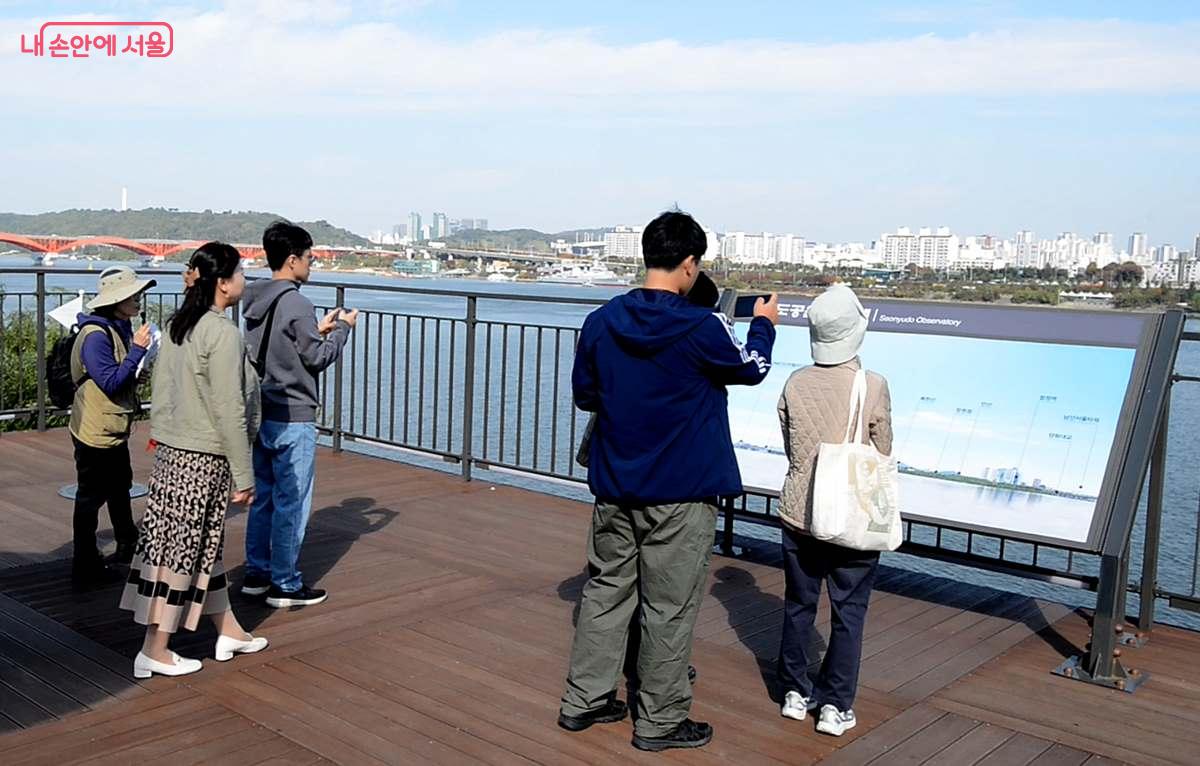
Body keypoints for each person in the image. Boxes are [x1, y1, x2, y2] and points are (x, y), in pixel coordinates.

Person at [558, 210, 778, 752]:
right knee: (668, 606)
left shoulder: (602, 320)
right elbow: (751, 369)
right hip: (681, 491)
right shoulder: (701, 327)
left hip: (615, 484)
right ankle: (659, 721)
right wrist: (765, 323)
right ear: (689, 264)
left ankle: (584, 702)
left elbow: (586, 394)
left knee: (606, 592)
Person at [120, 242, 268, 678]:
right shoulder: (221, 333)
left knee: (199, 548)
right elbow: (229, 407)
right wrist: (245, 475)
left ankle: (230, 631)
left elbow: (164, 391)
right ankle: (155, 648)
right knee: (181, 553)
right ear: (223, 284)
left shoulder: (182, 325)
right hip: (203, 457)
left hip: (172, 451)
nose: (244, 279)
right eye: (240, 273)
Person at [774, 283, 892, 736]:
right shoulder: (874, 385)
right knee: (849, 611)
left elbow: (791, 447)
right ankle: (835, 706)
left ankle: (793, 692)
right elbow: (882, 451)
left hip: (798, 511)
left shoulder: (795, 381)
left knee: (798, 604)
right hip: (851, 517)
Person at [240, 221, 357, 608]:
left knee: (265, 498)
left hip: (264, 410)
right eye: (309, 258)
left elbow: (280, 349)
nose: (313, 264)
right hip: (294, 413)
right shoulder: (297, 303)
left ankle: (256, 573)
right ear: (292, 260)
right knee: (292, 500)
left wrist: (315, 331)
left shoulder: (255, 299)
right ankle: (286, 583)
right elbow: (316, 358)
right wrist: (340, 330)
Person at [68, 265, 156, 588]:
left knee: (120, 486)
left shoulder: (118, 327)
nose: (138, 299)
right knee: (90, 497)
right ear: (115, 300)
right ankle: (85, 565)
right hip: (94, 429)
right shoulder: (95, 336)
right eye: (133, 295)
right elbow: (109, 381)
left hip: (111, 427)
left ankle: (126, 544)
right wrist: (137, 352)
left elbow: (120, 375)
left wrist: (137, 368)